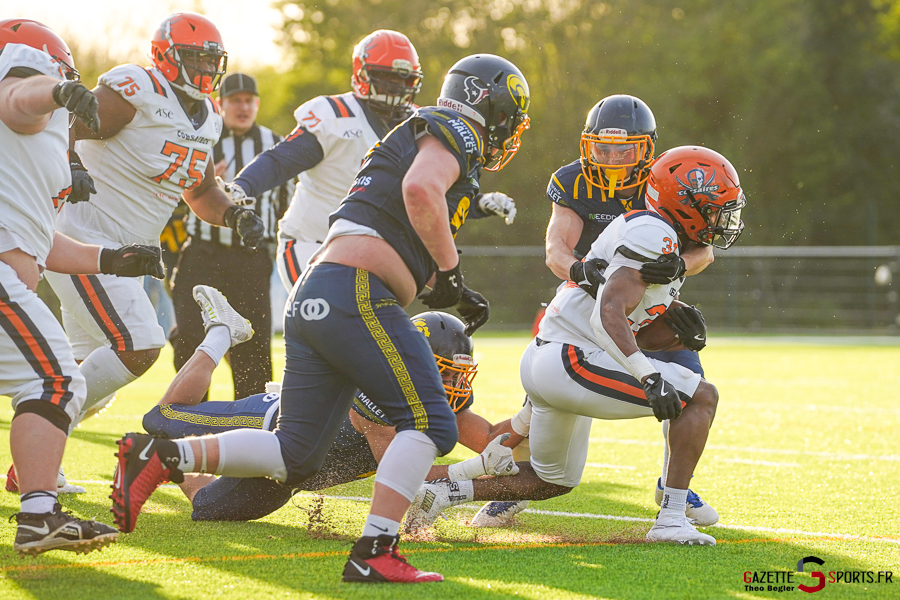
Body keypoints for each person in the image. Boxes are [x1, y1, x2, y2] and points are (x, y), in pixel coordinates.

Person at [111, 53, 531, 583]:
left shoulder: (413, 131)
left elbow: (392, 227)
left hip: (321, 291)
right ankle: (375, 551)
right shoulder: (454, 128)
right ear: (485, 102)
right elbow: (420, 190)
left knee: (295, 454)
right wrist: (448, 273)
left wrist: (451, 282)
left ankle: (162, 454)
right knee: (429, 422)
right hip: (357, 292)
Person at [407, 146, 746, 546]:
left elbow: (622, 309)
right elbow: (609, 312)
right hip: (571, 358)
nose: (721, 218)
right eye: (713, 208)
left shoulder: (654, 230)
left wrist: (673, 324)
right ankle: (672, 516)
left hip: (554, 356)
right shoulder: (655, 234)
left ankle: (444, 490)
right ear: (685, 204)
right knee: (701, 396)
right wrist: (649, 375)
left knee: (552, 480)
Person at [477, 95, 719, 528]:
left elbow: (705, 249)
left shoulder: (665, 177)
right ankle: (513, 486)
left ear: (645, 148)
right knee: (544, 392)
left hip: (647, 299)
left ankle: (672, 485)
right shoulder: (573, 181)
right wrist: (578, 269)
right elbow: (556, 247)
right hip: (586, 298)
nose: (610, 158)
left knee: (687, 370)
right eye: (602, 148)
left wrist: (678, 266)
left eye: (623, 149)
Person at [42, 12, 265, 427]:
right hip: (83, 238)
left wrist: (234, 215)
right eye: (195, 58)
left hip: (129, 256)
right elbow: (64, 125)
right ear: (166, 55)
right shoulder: (138, 89)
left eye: (210, 60)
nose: (205, 69)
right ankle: (45, 420)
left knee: (84, 371)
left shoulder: (208, 117)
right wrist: (70, 163)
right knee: (141, 345)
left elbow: (199, 191)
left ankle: (35, 464)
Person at [0, 19, 164, 556]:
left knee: (50, 382)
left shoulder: (27, 151)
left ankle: (39, 511)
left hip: (13, 266)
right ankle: (40, 515)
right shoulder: (27, 94)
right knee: (57, 382)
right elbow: (18, 96)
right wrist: (57, 89)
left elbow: (41, 242)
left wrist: (113, 259)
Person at [140, 298, 523, 521]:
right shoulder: (380, 391)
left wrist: (535, 411)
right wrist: (475, 470)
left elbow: (490, 439)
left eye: (458, 375)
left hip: (295, 476)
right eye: (445, 374)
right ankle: (223, 330)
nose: (455, 386)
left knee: (207, 509)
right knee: (161, 419)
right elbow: (399, 473)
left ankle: (169, 462)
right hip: (270, 424)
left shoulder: (438, 396)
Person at [221, 30, 518, 294]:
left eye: (404, 79)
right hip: (312, 243)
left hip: (371, 248)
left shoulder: (420, 121)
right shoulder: (335, 115)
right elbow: (280, 160)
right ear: (362, 74)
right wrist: (243, 185)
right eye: (386, 77)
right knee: (324, 325)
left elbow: (430, 191)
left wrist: (477, 204)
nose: (395, 87)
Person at [171, 72, 294, 400]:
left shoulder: (276, 145)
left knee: (253, 348)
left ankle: (249, 423)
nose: (243, 107)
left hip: (250, 258)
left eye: (248, 100)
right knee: (189, 338)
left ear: (256, 104)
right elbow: (170, 197)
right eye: (234, 100)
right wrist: (209, 186)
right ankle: (189, 418)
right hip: (203, 253)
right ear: (220, 104)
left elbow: (289, 205)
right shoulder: (203, 139)